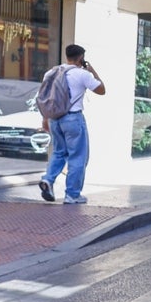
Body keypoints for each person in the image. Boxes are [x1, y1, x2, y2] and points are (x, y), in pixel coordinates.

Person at [38, 44, 105, 204]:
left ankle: (48, 179)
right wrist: (91, 70)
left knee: (58, 152)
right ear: (81, 58)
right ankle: (72, 195)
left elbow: (46, 96)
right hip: (73, 119)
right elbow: (101, 89)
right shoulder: (82, 74)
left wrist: (45, 118)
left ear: (67, 56)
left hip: (54, 118)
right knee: (78, 156)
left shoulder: (51, 72)